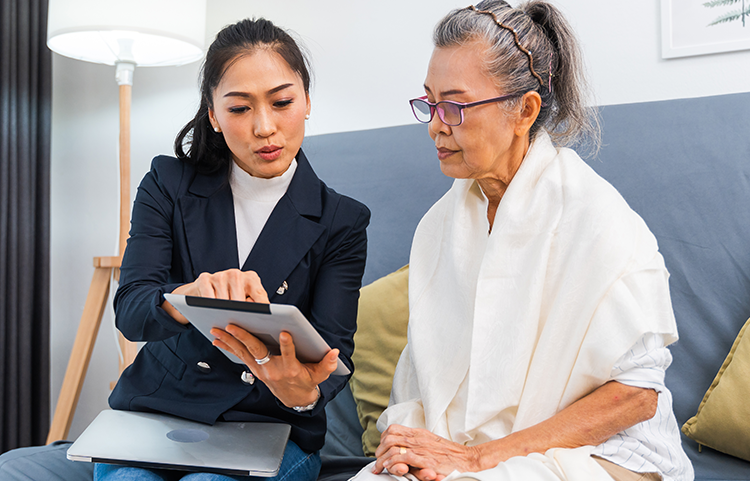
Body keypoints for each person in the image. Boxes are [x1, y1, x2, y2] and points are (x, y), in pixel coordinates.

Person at [354, 2, 693, 481]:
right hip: (470, 447)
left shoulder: (599, 218)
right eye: (429, 104)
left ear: (525, 110)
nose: (434, 125)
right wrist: (417, 445)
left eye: (453, 106)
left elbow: (636, 397)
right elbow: (424, 379)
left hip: (604, 453)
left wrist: (476, 460)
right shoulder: (438, 226)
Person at [99, 17, 370, 481]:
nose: (265, 127)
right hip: (156, 416)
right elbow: (131, 310)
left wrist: (300, 391)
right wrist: (188, 297)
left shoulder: (342, 220)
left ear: (306, 101)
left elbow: (333, 356)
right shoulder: (168, 183)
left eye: (282, 101)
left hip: (271, 428)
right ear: (213, 115)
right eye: (240, 108)